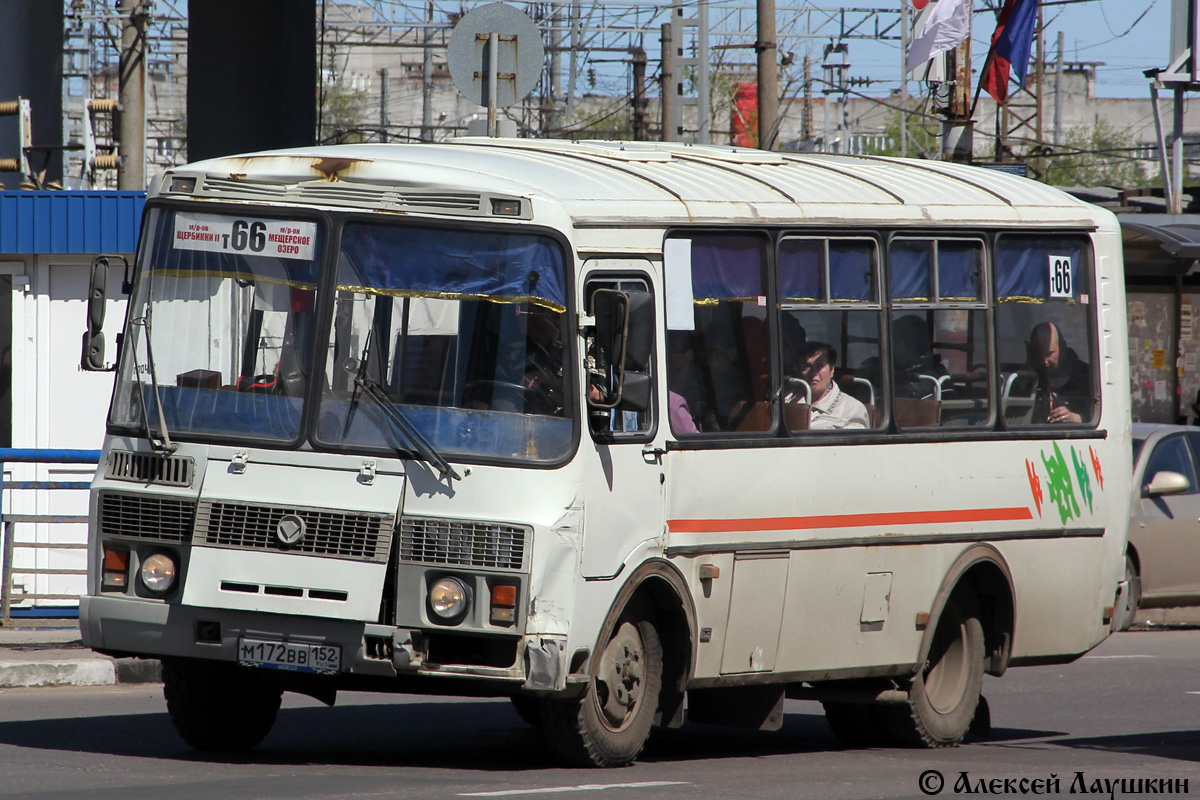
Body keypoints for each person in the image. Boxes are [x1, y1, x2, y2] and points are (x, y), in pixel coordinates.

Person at [793, 341, 869, 430]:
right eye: (806, 366)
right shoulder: (787, 400)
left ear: (832, 370)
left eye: (819, 366)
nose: (813, 372)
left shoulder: (852, 409)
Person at [1028, 321, 1091, 424]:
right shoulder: (1032, 378)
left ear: (1062, 347)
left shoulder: (1087, 377)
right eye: (1039, 354)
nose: (1044, 360)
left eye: (1049, 353)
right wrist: (1027, 369)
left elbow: (1108, 416)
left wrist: (1076, 418)